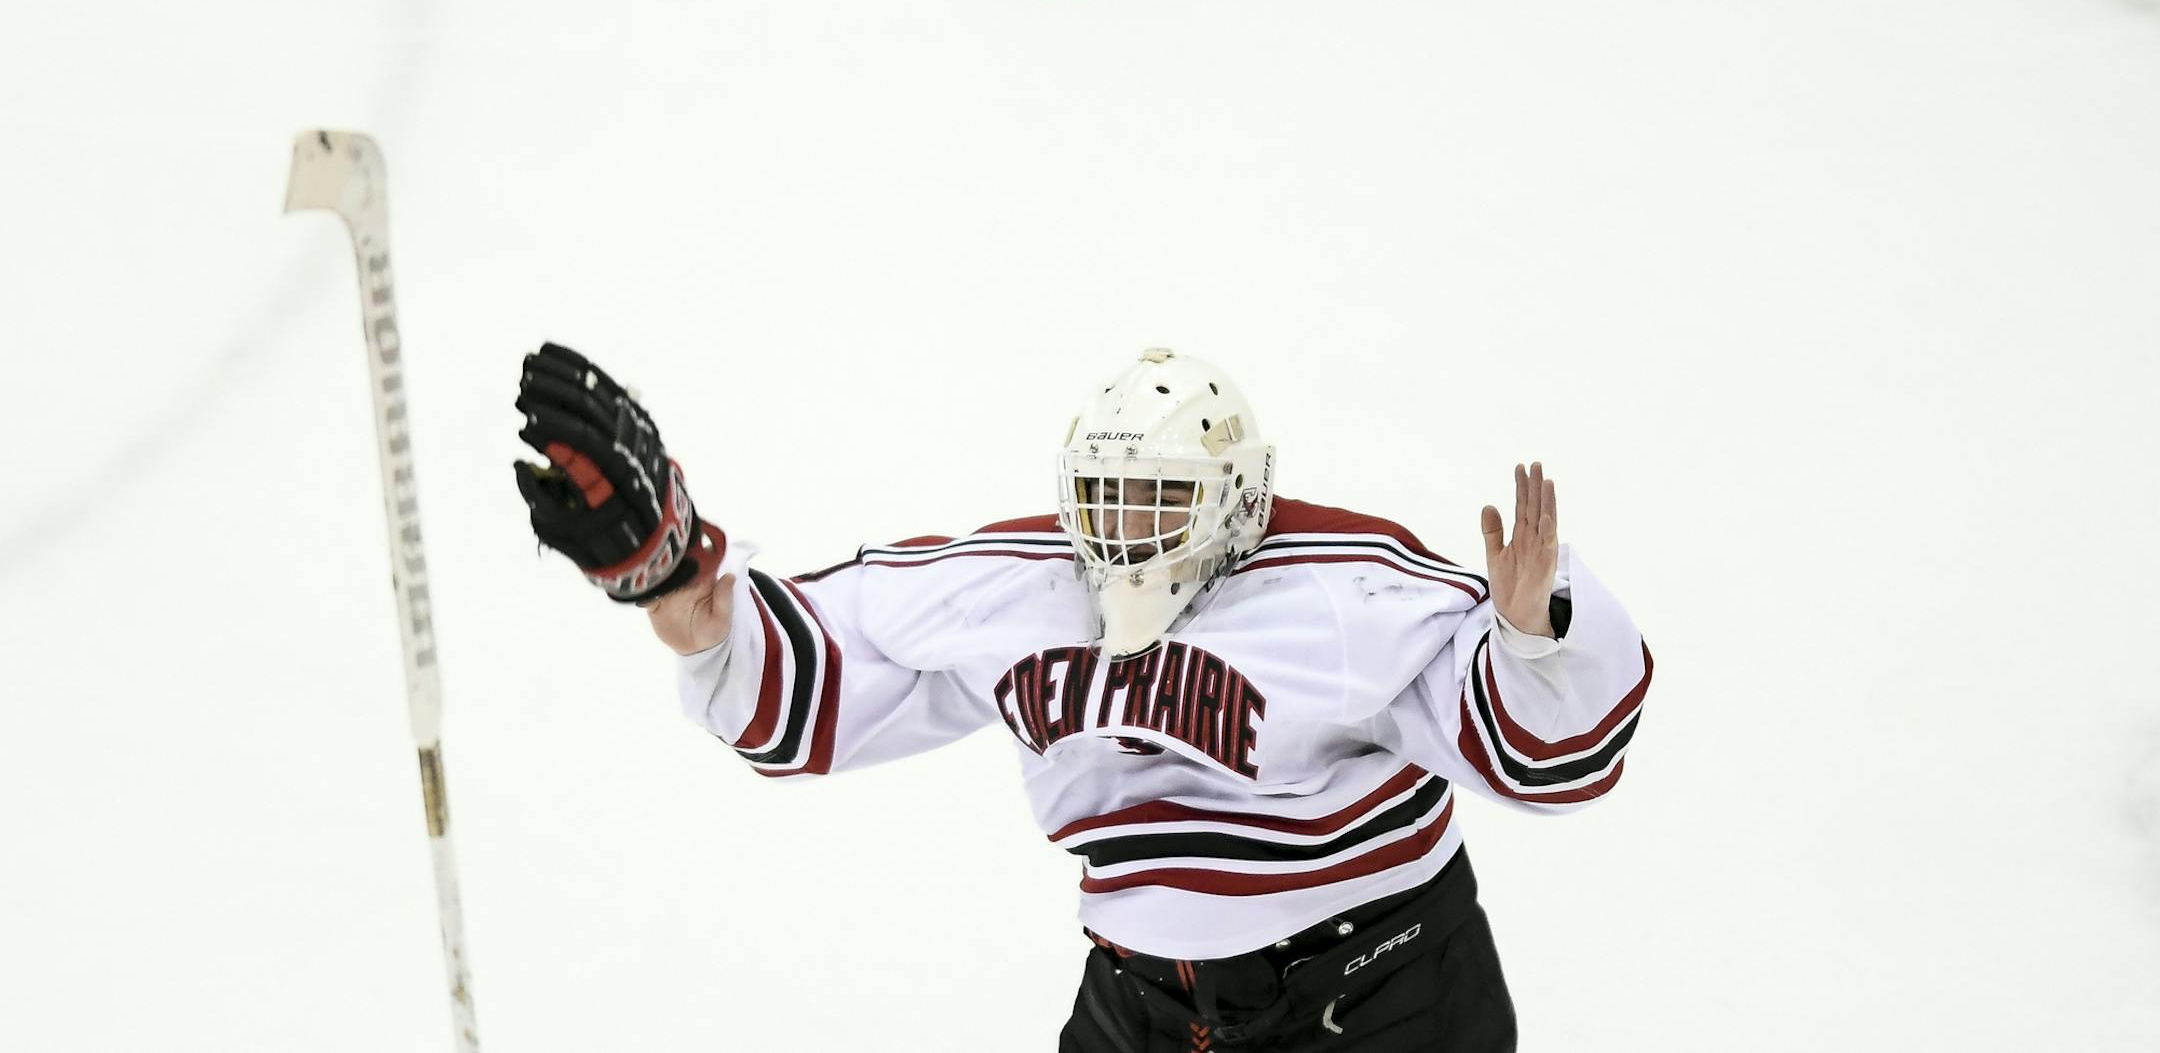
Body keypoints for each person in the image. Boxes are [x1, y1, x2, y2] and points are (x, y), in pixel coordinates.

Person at [513, 343, 1654, 1052]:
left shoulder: (1346, 587)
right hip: (1145, 1010)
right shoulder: (1017, 587)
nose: (1125, 532)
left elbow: (1552, 753)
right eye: (1105, 496)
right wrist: (673, 578)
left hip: (1383, 1000)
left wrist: (1526, 632)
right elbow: (795, 689)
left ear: (1239, 496)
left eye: (1159, 499)